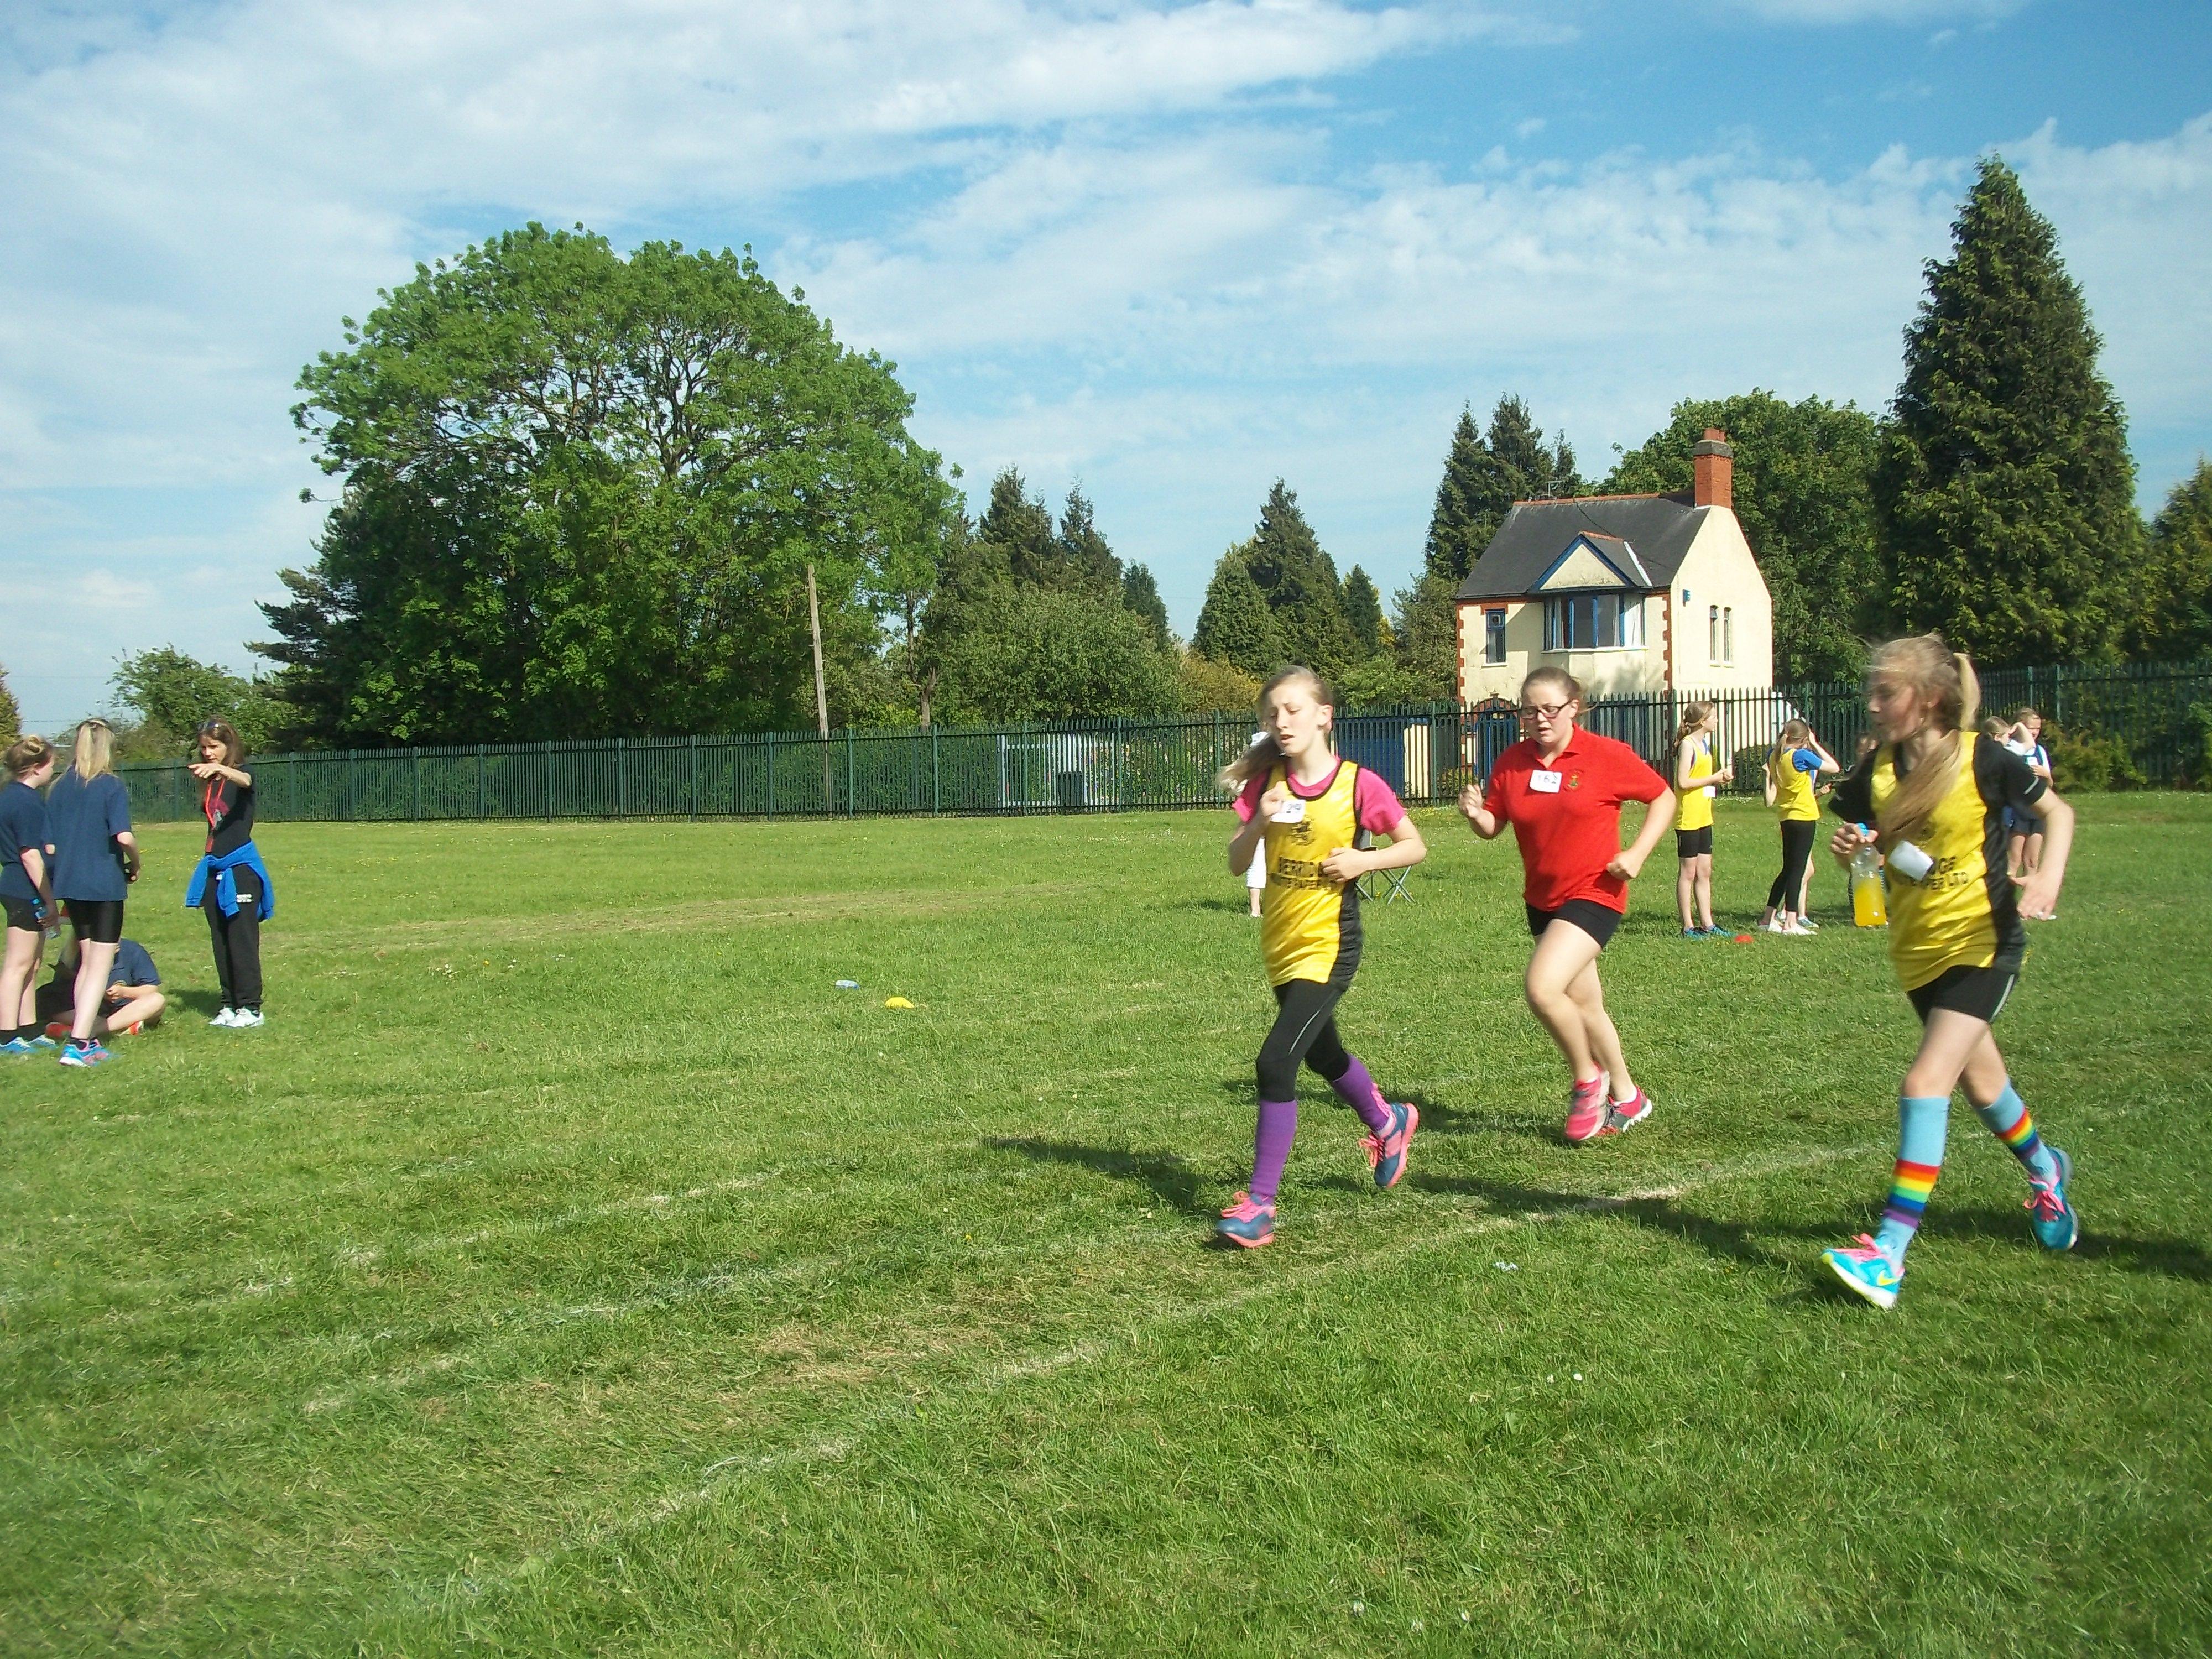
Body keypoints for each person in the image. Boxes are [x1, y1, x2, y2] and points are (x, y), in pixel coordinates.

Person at [1820, 635, 2079, 1311]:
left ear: (1930, 698)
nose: (1872, 705)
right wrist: (1853, 850)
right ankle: (2046, 1171)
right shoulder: (1874, 773)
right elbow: (1878, 855)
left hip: (1982, 942)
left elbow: (2057, 812)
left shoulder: (1982, 758)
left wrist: (2046, 876)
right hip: (1917, 950)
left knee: (1924, 1081)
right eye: (1871, 692)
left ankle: (1887, 1254)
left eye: (1886, 693)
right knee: (1983, 1083)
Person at [1214, 667, 1428, 1248]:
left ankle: (1260, 1205)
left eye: (1293, 710)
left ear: (1324, 716)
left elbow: (1414, 845)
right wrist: (1260, 819)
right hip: (1281, 946)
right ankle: (1389, 1122)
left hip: (1330, 947)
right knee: (1323, 1053)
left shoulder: (1358, 784)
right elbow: (1236, 864)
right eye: (1272, 714)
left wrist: (1363, 861)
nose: (1281, 722)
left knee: (1276, 1062)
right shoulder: (1268, 784)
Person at [1456, 667, 1677, 1144]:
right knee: (1585, 1005)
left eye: (1549, 709)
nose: (1539, 719)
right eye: (1529, 710)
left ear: (1574, 707)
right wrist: (1476, 815)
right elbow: (1494, 826)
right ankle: (1629, 1097)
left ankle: (1587, 1080)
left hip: (1595, 892)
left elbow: (1663, 797)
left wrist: (1637, 854)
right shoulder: (1512, 761)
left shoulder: (1605, 755)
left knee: (1541, 988)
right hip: (1542, 899)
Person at [45, 719, 140, 1068]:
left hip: (70, 883)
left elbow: (50, 845)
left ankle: (82, 1036)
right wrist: (136, 862)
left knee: (87, 962)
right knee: (100, 964)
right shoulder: (110, 785)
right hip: (104, 884)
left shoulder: (58, 788)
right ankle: (79, 1043)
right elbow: (124, 837)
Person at [185, 718, 274, 1029]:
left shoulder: (241, 773)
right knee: (220, 938)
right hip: (215, 865)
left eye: (214, 747)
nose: (208, 753)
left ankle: (251, 1008)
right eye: (204, 748)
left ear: (229, 745)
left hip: (241, 870)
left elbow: (246, 780)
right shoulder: (211, 782)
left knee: (241, 939)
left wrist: (222, 770)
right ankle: (228, 1004)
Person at [1, 736, 60, 1055]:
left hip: (22, 886)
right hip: (24, 888)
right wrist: (49, 900)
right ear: (37, 767)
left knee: (33, 963)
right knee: (18, 963)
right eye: (52, 764)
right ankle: (6, 1035)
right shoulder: (24, 801)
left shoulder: (16, 796)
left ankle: (28, 1028)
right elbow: (30, 854)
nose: (53, 770)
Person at [1760, 719, 1839, 936]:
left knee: (1788, 869)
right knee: (1798, 869)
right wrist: (1815, 745)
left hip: (1786, 816)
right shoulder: (1801, 756)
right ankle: (1790, 922)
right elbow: (1834, 768)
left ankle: (1767, 918)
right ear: (1803, 738)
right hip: (1804, 816)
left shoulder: (1774, 755)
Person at [1671, 701, 1733, 937]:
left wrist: (1719, 779)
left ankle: (1708, 924)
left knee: (1704, 871)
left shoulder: (1705, 744)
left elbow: (1702, 778)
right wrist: (1713, 778)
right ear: (1702, 721)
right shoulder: (1687, 745)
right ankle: (1688, 927)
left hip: (1704, 816)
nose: (1716, 720)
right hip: (1688, 818)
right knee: (1688, 872)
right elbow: (1683, 782)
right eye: (1713, 716)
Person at [39, 933, 164, 1039]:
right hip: (89, 1010)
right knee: (47, 999)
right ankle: (121, 1028)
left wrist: (123, 992)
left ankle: (93, 1030)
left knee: (157, 1000)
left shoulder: (133, 950)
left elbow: (151, 989)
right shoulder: (76, 953)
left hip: (125, 1009)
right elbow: (60, 992)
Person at [2002, 706, 2053, 878]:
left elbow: (2049, 785)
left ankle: (2031, 894)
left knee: (2032, 861)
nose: (2035, 732)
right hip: (2018, 810)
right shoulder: (2011, 749)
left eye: (2038, 729)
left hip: (2036, 811)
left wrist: (2046, 775)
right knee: (2014, 860)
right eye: (2032, 728)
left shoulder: (2040, 751)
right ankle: (2005, 892)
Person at [1244, 730, 1268, 917]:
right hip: (1259, 824)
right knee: (1257, 863)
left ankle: (1257, 909)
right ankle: (1256, 909)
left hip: (1266, 825)